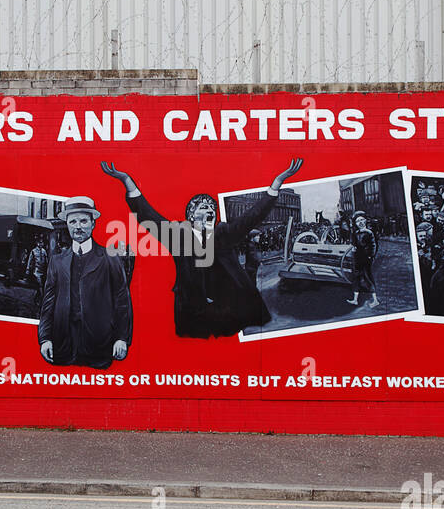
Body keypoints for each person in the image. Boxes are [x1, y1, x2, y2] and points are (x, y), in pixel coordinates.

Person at [101, 158, 303, 338]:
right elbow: (147, 216)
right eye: (203, 207)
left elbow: (252, 216)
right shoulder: (178, 237)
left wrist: (276, 185)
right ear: (190, 216)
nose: (209, 210)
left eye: (212, 208)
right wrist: (127, 182)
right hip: (193, 312)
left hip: (229, 311)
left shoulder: (224, 233)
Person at [38, 196, 132, 369]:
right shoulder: (57, 261)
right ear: (67, 224)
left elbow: (122, 301)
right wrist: (45, 339)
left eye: (83, 221)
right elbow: (48, 304)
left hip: (100, 344)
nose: (78, 226)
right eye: (73, 221)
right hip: (63, 344)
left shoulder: (110, 258)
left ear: (93, 223)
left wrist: (121, 338)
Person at [347, 212, 379, 309]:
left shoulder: (369, 232)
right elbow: (354, 244)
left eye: (361, 220)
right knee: (356, 278)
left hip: (366, 259)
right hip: (357, 258)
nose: (360, 222)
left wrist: (371, 256)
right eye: (357, 221)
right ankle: (355, 299)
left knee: (367, 278)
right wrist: (353, 248)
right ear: (355, 223)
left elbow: (374, 245)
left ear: (365, 220)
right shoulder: (356, 233)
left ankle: (375, 300)